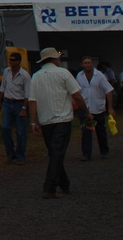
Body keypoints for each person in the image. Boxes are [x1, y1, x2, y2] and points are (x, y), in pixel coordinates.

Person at [29, 48, 90, 199]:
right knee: (57, 152)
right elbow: (77, 96)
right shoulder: (63, 73)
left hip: (45, 120)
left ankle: (64, 183)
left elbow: (32, 101)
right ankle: (50, 187)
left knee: (54, 152)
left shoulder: (36, 76)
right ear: (54, 59)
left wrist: (33, 122)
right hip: (62, 119)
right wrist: (86, 112)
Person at [75, 56, 115, 159]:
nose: (88, 65)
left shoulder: (100, 75)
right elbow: (77, 92)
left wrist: (110, 108)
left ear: (92, 64)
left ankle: (104, 151)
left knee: (100, 131)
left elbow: (109, 91)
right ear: (82, 65)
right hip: (85, 108)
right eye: (85, 63)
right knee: (86, 132)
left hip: (98, 108)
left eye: (89, 62)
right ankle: (86, 154)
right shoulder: (79, 76)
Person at [0, 52, 31, 164]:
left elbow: (27, 94)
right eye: (9, 59)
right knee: (5, 127)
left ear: (18, 62)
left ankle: (20, 156)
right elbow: (3, 87)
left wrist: (24, 108)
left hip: (19, 103)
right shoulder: (6, 72)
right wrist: (0, 102)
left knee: (21, 131)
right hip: (7, 102)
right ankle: (10, 153)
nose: (10, 62)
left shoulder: (25, 76)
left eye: (12, 60)